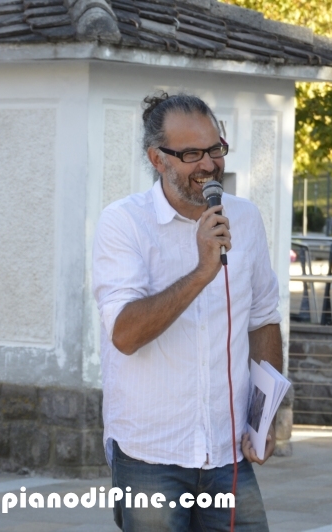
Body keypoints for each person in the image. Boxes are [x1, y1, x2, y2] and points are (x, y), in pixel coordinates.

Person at [92, 92, 283, 532]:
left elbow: (263, 320)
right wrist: (201, 271)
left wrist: (263, 416)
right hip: (150, 455)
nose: (209, 165)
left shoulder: (246, 219)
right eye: (192, 153)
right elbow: (125, 334)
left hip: (226, 450)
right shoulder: (123, 223)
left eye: (216, 148)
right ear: (157, 159)